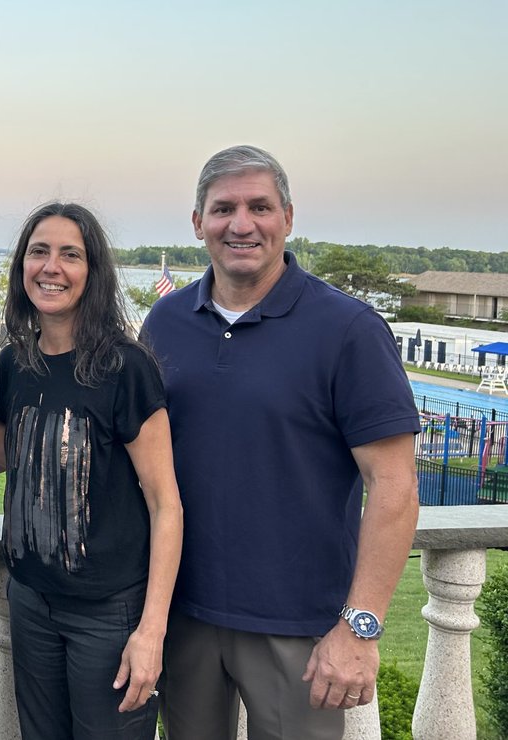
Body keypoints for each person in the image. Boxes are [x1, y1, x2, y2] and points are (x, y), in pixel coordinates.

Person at [141, 145, 420, 740]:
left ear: (288, 218)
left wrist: (360, 627)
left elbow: (394, 485)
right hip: (181, 614)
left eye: (259, 207)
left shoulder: (348, 330)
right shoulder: (165, 322)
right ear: (197, 222)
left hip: (301, 629)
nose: (241, 224)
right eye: (223, 209)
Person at [0, 201, 183, 740]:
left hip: (109, 612)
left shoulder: (125, 366)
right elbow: (12, 453)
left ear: (93, 271)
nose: (51, 267)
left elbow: (165, 504)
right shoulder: (15, 362)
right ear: (22, 266)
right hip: (30, 600)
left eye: (70, 254)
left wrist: (151, 631)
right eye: (39, 252)